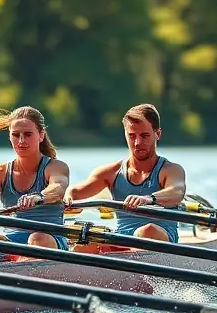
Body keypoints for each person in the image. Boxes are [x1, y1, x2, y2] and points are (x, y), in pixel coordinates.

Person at [64, 103, 186, 246]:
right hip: (122, 238)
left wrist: (148, 199)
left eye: (144, 136)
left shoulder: (171, 170)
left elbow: (177, 192)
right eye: (132, 136)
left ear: (157, 134)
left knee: (148, 230)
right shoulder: (110, 173)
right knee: (86, 243)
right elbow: (74, 192)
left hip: (160, 236)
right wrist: (68, 199)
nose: (137, 142)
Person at [0, 106, 71, 250]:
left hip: (50, 238)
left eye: (28, 134)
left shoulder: (56, 167)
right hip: (11, 239)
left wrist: (39, 197)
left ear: (41, 135)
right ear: (9, 136)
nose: (21, 141)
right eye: (15, 135)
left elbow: (58, 188)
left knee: (36, 238)